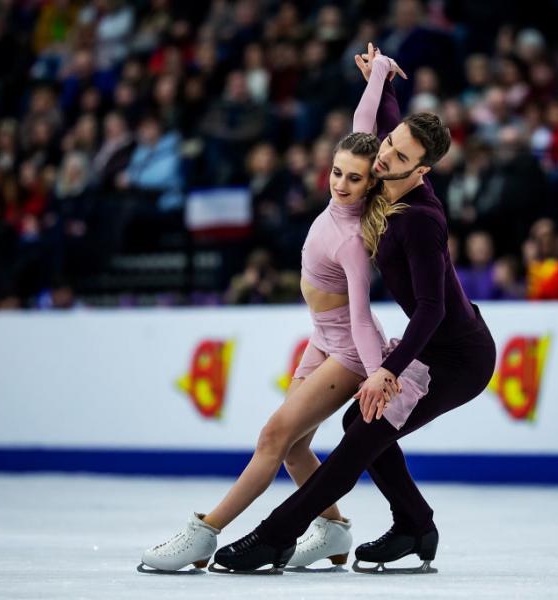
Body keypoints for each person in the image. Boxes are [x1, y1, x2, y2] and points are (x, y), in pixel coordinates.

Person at [212, 44, 496, 574]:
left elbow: (432, 309)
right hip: (429, 347)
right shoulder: (391, 162)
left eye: (400, 157)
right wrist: (381, 77)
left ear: (424, 169)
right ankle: (415, 524)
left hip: (458, 357)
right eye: (390, 145)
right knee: (361, 425)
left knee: (362, 431)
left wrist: (385, 370)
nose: (384, 157)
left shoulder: (420, 220)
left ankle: (276, 535)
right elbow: (380, 124)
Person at [138, 51, 416, 574]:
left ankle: (205, 532)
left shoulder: (355, 240)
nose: (341, 184)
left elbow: (361, 317)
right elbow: (361, 127)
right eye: (337, 173)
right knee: (292, 450)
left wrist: (380, 370)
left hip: (350, 351)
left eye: (355, 180)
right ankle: (333, 529)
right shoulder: (346, 179)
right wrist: (378, 74)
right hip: (322, 337)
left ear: (371, 184)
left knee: (272, 436)